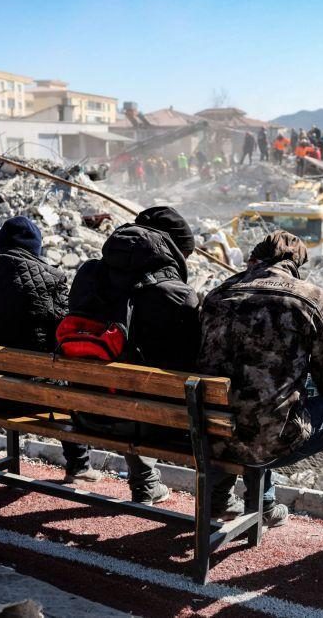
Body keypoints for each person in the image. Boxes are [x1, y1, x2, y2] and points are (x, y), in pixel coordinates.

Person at [200, 231, 323, 555]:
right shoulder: (311, 299)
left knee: (255, 395)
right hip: (271, 439)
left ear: (254, 260)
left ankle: (255, 501)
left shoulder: (219, 294)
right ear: (295, 265)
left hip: (209, 434)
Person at [66, 206, 201, 504]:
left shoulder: (88, 274)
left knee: (130, 382)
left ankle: (146, 481)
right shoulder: (177, 295)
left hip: (83, 411)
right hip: (157, 426)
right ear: (174, 250)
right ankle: (221, 500)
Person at [0, 216, 100, 482]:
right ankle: (79, 466)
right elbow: (63, 334)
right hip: (31, 396)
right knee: (65, 384)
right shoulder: (51, 278)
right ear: (36, 248)